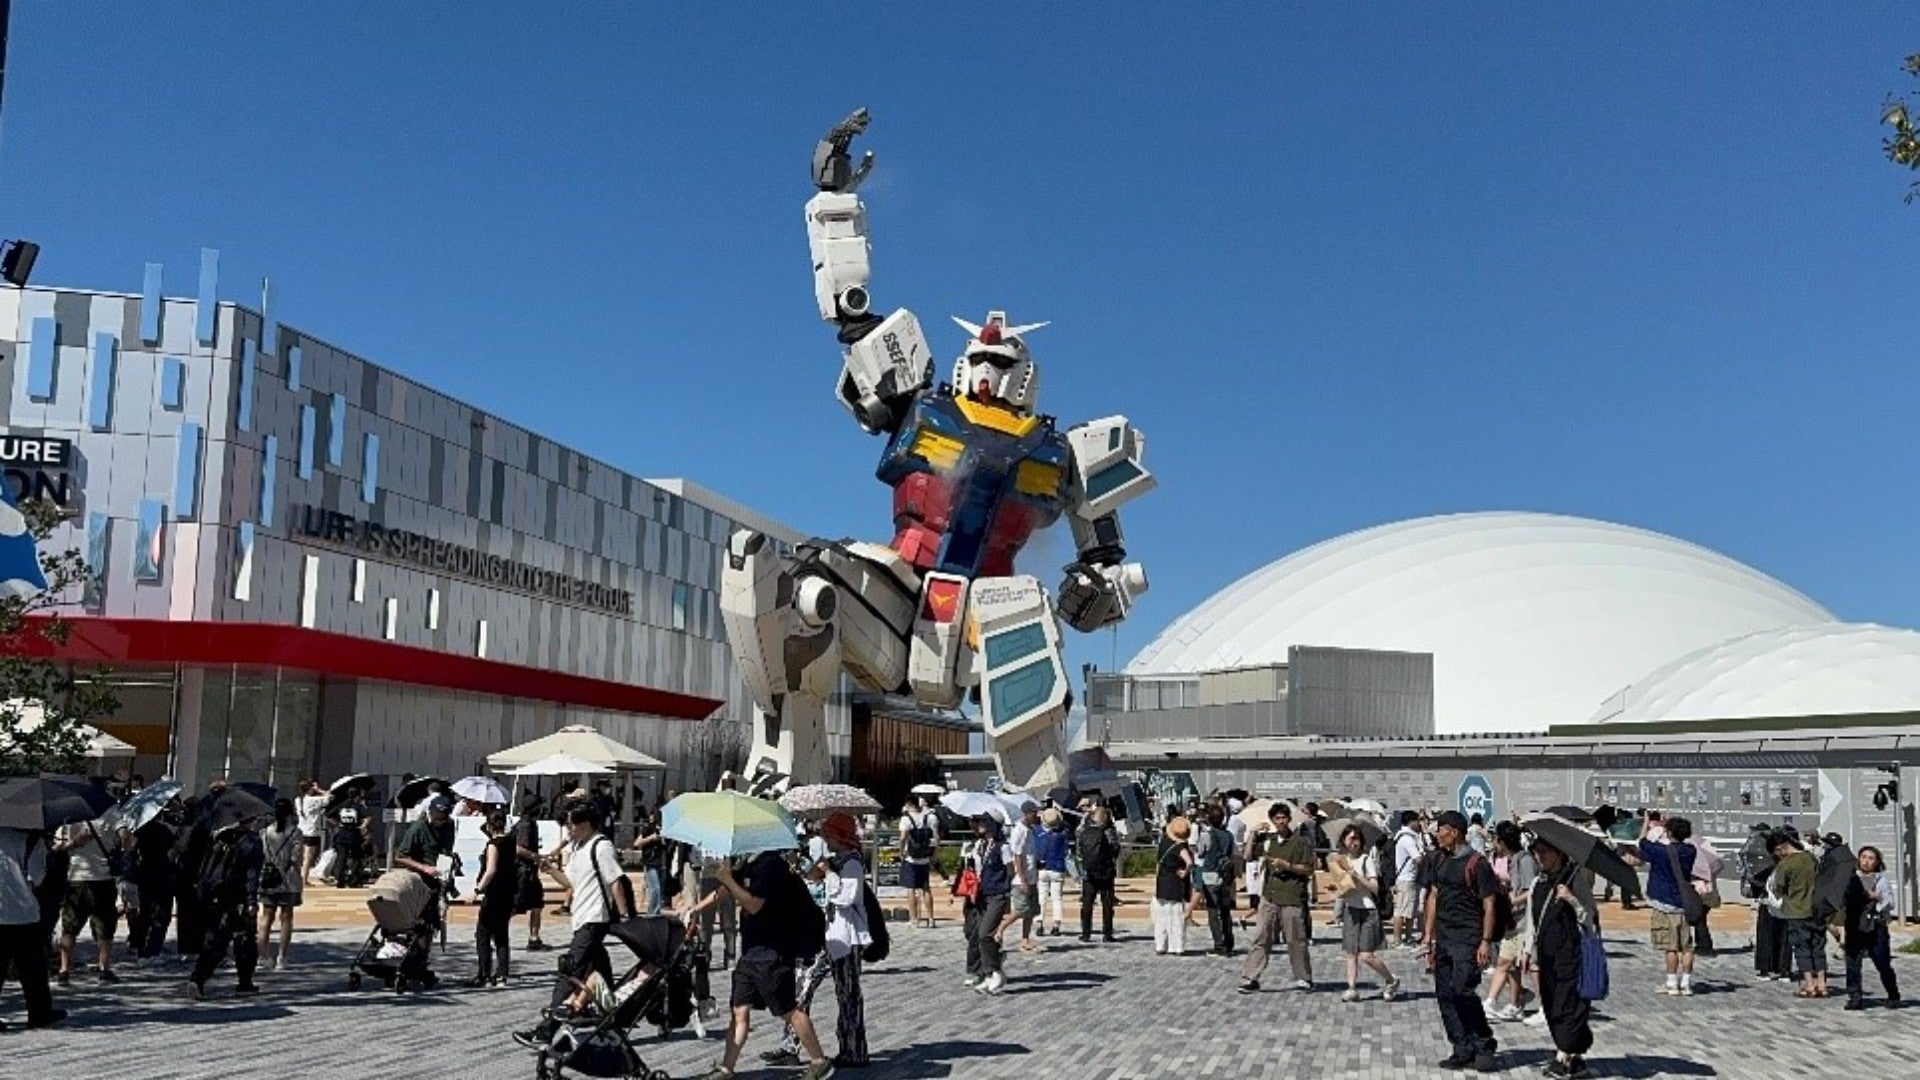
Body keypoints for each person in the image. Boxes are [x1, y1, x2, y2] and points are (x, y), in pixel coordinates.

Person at [694, 850, 836, 1080]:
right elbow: (726, 889)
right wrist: (696, 909)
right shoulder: (748, 863)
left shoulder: (771, 866)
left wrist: (728, 879)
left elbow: (754, 905)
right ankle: (726, 1068)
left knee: (788, 1010)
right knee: (739, 1009)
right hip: (751, 952)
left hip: (773, 952)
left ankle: (820, 1061)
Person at [517, 806, 633, 1049]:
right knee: (600, 974)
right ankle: (614, 1023)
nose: (568, 829)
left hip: (594, 920)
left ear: (587, 823)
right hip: (581, 918)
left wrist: (624, 915)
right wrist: (550, 870)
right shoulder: (579, 847)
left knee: (569, 972)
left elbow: (615, 881)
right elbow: (570, 882)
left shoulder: (602, 846)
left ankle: (547, 1031)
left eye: (571, 824)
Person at [1420, 809, 1500, 1072]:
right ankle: (1461, 1047)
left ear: (1454, 832)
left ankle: (1483, 1043)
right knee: (1445, 994)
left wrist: (1486, 941)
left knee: (1462, 990)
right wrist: (1428, 936)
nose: (1437, 834)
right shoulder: (1440, 861)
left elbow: (1489, 903)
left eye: (1441, 829)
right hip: (1444, 937)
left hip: (1468, 939)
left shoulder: (1478, 864)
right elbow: (1433, 896)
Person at [1528, 836, 1597, 1079]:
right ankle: (1576, 1057)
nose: (1540, 856)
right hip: (1546, 953)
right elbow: (1532, 919)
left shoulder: (1574, 879)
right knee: (1550, 1003)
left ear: (1559, 853)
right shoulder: (1539, 881)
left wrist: (1570, 898)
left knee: (1567, 1003)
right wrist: (1528, 950)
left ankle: (1562, 1057)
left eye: (1545, 851)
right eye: (1537, 852)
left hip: (1571, 952)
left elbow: (1589, 917)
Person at [1239, 801, 1314, 993]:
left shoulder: (1300, 842)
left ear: (1289, 820)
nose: (1281, 821)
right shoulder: (1267, 841)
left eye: (1284, 818)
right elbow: (1247, 856)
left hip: (1292, 897)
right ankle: (1250, 977)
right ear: (1272, 820)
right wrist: (1253, 835)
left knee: (1296, 940)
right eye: (1277, 818)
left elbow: (1308, 869)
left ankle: (1303, 977)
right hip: (1269, 896)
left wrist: (1287, 865)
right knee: (1261, 938)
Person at [188, 815, 264, 1001]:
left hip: (214, 895)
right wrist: (251, 901)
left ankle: (198, 977)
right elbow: (251, 874)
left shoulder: (220, 837)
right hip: (238, 897)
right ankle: (245, 982)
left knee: (215, 939)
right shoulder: (252, 841)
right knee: (244, 939)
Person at [816, 812, 870, 1068]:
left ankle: (855, 1050)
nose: (825, 839)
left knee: (849, 993)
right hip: (834, 933)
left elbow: (846, 897)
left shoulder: (852, 863)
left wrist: (828, 873)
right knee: (842, 993)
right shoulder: (839, 861)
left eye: (829, 834)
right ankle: (846, 1046)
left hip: (848, 935)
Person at [0, 825, 64, 1030]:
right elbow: (36, 878)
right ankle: (39, 1013)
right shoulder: (30, 839)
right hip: (23, 911)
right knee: (32, 967)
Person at [1330, 824, 1401, 1002]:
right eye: (1350, 838)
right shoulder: (1341, 861)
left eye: (1357, 838)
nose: (1354, 842)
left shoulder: (1365, 860)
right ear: (1344, 841)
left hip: (1368, 910)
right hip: (1351, 909)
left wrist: (1357, 876)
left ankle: (1391, 979)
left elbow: (1375, 888)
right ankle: (1351, 988)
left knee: (1366, 955)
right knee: (1351, 952)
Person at [52, 815, 122, 985]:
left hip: (76, 878)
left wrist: (74, 842)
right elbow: (126, 837)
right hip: (103, 878)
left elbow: (55, 847)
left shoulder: (68, 820)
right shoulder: (110, 816)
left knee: (69, 927)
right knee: (105, 927)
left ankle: (64, 970)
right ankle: (104, 969)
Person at [1638, 813, 1698, 996]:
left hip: (1663, 903)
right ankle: (1686, 983)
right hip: (1684, 904)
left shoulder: (1659, 851)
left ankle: (1672, 983)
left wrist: (1648, 821)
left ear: (1669, 831)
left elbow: (1641, 842)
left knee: (1670, 946)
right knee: (1687, 946)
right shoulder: (1690, 851)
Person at [1482, 822, 1536, 1019]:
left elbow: (1533, 889)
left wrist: (1513, 900)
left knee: (1528, 966)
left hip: (1524, 921)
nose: (1493, 844)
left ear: (1502, 841)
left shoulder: (1525, 860)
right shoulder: (1513, 860)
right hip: (1513, 918)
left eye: (1495, 840)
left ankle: (1543, 1006)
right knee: (1507, 962)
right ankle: (1511, 1003)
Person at [1769, 830, 1827, 998]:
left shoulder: (1785, 865)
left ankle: (1809, 985)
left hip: (1796, 910)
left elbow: (1779, 888)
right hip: (1815, 909)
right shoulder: (1811, 859)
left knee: (1802, 948)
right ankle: (1822, 984)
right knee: (1818, 947)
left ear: (1781, 849)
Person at [1842, 845, 1900, 1010]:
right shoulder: (1851, 879)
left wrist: (1877, 897)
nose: (1866, 861)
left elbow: (1890, 903)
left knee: (1882, 963)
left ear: (1877, 862)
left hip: (1876, 927)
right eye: (1864, 857)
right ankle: (1855, 997)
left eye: (1871, 858)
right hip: (1854, 926)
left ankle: (1893, 994)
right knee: (1852, 963)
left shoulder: (1880, 880)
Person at [961, 814, 1013, 994]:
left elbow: (1010, 870)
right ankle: (988, 972)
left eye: (984, 821)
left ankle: (995, 969)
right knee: (978, 934)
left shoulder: (1002, 847)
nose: (979, 825)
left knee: (985, 934)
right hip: (981, 895)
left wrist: (1007, 891)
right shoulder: (980, 846)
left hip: (997, 895)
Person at [125, 800, 181, 965]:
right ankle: (154, 948)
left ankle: (139, 944)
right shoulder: (165, 830)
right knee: (162, 914)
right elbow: (175, 849)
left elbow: (132, 849)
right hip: (163, 874)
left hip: (145, 874)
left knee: (146, 912)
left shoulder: (141, 831)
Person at [256, 799, 304, 970]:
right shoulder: (295, 833)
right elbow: (296, 858)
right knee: (286, 918)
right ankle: (282, 957)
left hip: (267, 878)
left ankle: (263, 956)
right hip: (289, 880)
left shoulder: (264, 832)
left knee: (266, 918)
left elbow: (260, 855)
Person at [472, 810, 517, 987]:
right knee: (501, 934)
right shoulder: (510, 840)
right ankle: (502, 974)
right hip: (508, 891)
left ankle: (484, 973)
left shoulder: (494, 844)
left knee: (483, 934)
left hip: (494, 892)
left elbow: (491, 870)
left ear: (489, 825)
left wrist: (477, 890)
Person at [1194, 804, 1238, 955]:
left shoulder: (1207, 835)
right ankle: (1229, 942)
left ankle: (1219, 944)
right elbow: (1233, 853)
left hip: (1210, 873)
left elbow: (1200, 852)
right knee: (1226, 911)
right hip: (1225, 875)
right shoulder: (1229, 835)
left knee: (1213, 911)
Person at [1076, 804, 1121, 943]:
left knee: (1087, 903)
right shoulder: (1108, 831)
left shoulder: (1084, 831)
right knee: (1107, 903)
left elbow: (1079, 852)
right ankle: (1107, 933)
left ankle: (1085, 933)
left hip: (1089, 872)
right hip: (1105, 872)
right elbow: (1115, 848)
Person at [1152, 816, 1195, 956]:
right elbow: (1189, 862)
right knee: (1177, 917)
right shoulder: (1180, 847)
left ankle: (1160, 945)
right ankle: (1177, 947)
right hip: (1176, 883)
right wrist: (1185, 872)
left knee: (1161, 918)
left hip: (1162, 881)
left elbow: (1158, 864)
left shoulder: (1163, 842)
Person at [513, 797, 551, 951]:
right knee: (516, 906)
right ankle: (491, 931)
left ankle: (534, 938)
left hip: (530, 872)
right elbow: (519, 849)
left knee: (537, 904)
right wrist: (537, 857)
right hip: (523, 871)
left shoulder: (530, 823)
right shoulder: (525, 824)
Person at [897, 797, 941, 929]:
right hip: (925, 857)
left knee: (911, 889)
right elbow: (936, 837)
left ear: (909, 804)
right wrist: (935, 854)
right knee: (926, 888)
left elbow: (903, 837)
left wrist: (900, 851)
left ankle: (914, 919)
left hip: (911, 858)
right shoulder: (930, 818)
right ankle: (931, 918)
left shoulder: (906, 819)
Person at [1005, 801, 1041, 952]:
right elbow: (1017, 856)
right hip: (1022, 878)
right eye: (1034, 813)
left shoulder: (1031, 830)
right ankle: (999, 929)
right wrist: (1023, 879)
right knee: (1021, 909)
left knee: (1031, 911)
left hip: (1032, 875)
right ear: (1027, 813)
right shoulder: (1019, 830)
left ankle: (1025, 939)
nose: (1036, 816)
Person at [1033, 808, 1072, 937]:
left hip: (1042, 867)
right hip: (1057, 867)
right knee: (1057, 898)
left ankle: (1039, 922)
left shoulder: (1037, 832)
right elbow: (1067, 827)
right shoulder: (1063, 833)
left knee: (1041, 897)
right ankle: (1056, 924)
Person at [1391, 810, 1427, 948]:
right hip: (1405, 879)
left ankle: (1408, 936)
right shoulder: (1406, 839)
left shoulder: (1412, 837)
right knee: (1401, 910)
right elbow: (1417, 858)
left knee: (1410, 910)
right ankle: (1397, 939)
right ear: (1411, 821)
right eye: (1417, 821)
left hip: (1411, 879)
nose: (1419, 823)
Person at [631, 810, 668, 917]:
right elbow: (637, 843)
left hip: (660, 861)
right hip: (650, 861)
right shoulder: (648, 828)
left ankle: (655, 911)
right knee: (654, 888)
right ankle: (653, 913)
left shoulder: (663, 829)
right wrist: (650, 838)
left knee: (659, 889)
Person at [295, 780, 329, 884]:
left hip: (301, 829)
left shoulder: (298, 799)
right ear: (310, 788)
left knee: (301, 856)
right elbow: (329, 797)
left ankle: (301, 877)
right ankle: (304, 879)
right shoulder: (313, 800)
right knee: (308, 857)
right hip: (312, 831)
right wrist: (319, 790)